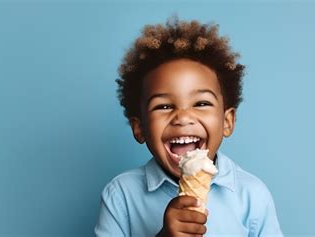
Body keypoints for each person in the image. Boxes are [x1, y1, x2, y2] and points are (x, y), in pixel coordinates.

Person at [95, 16, 284, 236]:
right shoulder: (121, 195)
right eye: (164, 106)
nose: (183, 118)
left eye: (201, 103)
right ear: (139, 128)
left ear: (227, 121)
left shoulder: (251, 194)